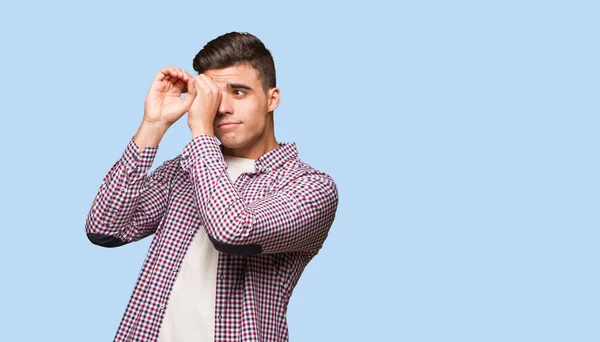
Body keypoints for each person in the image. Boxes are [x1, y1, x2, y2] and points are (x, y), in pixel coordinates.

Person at [85, 31, 339, 342]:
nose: (222, 108)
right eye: (213, 95)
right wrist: (153, 125)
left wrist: (201, 130)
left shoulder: (310, 187)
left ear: (272, 99)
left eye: (239, 92)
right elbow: (105, 229)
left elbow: (233, 231)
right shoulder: (183, 169)